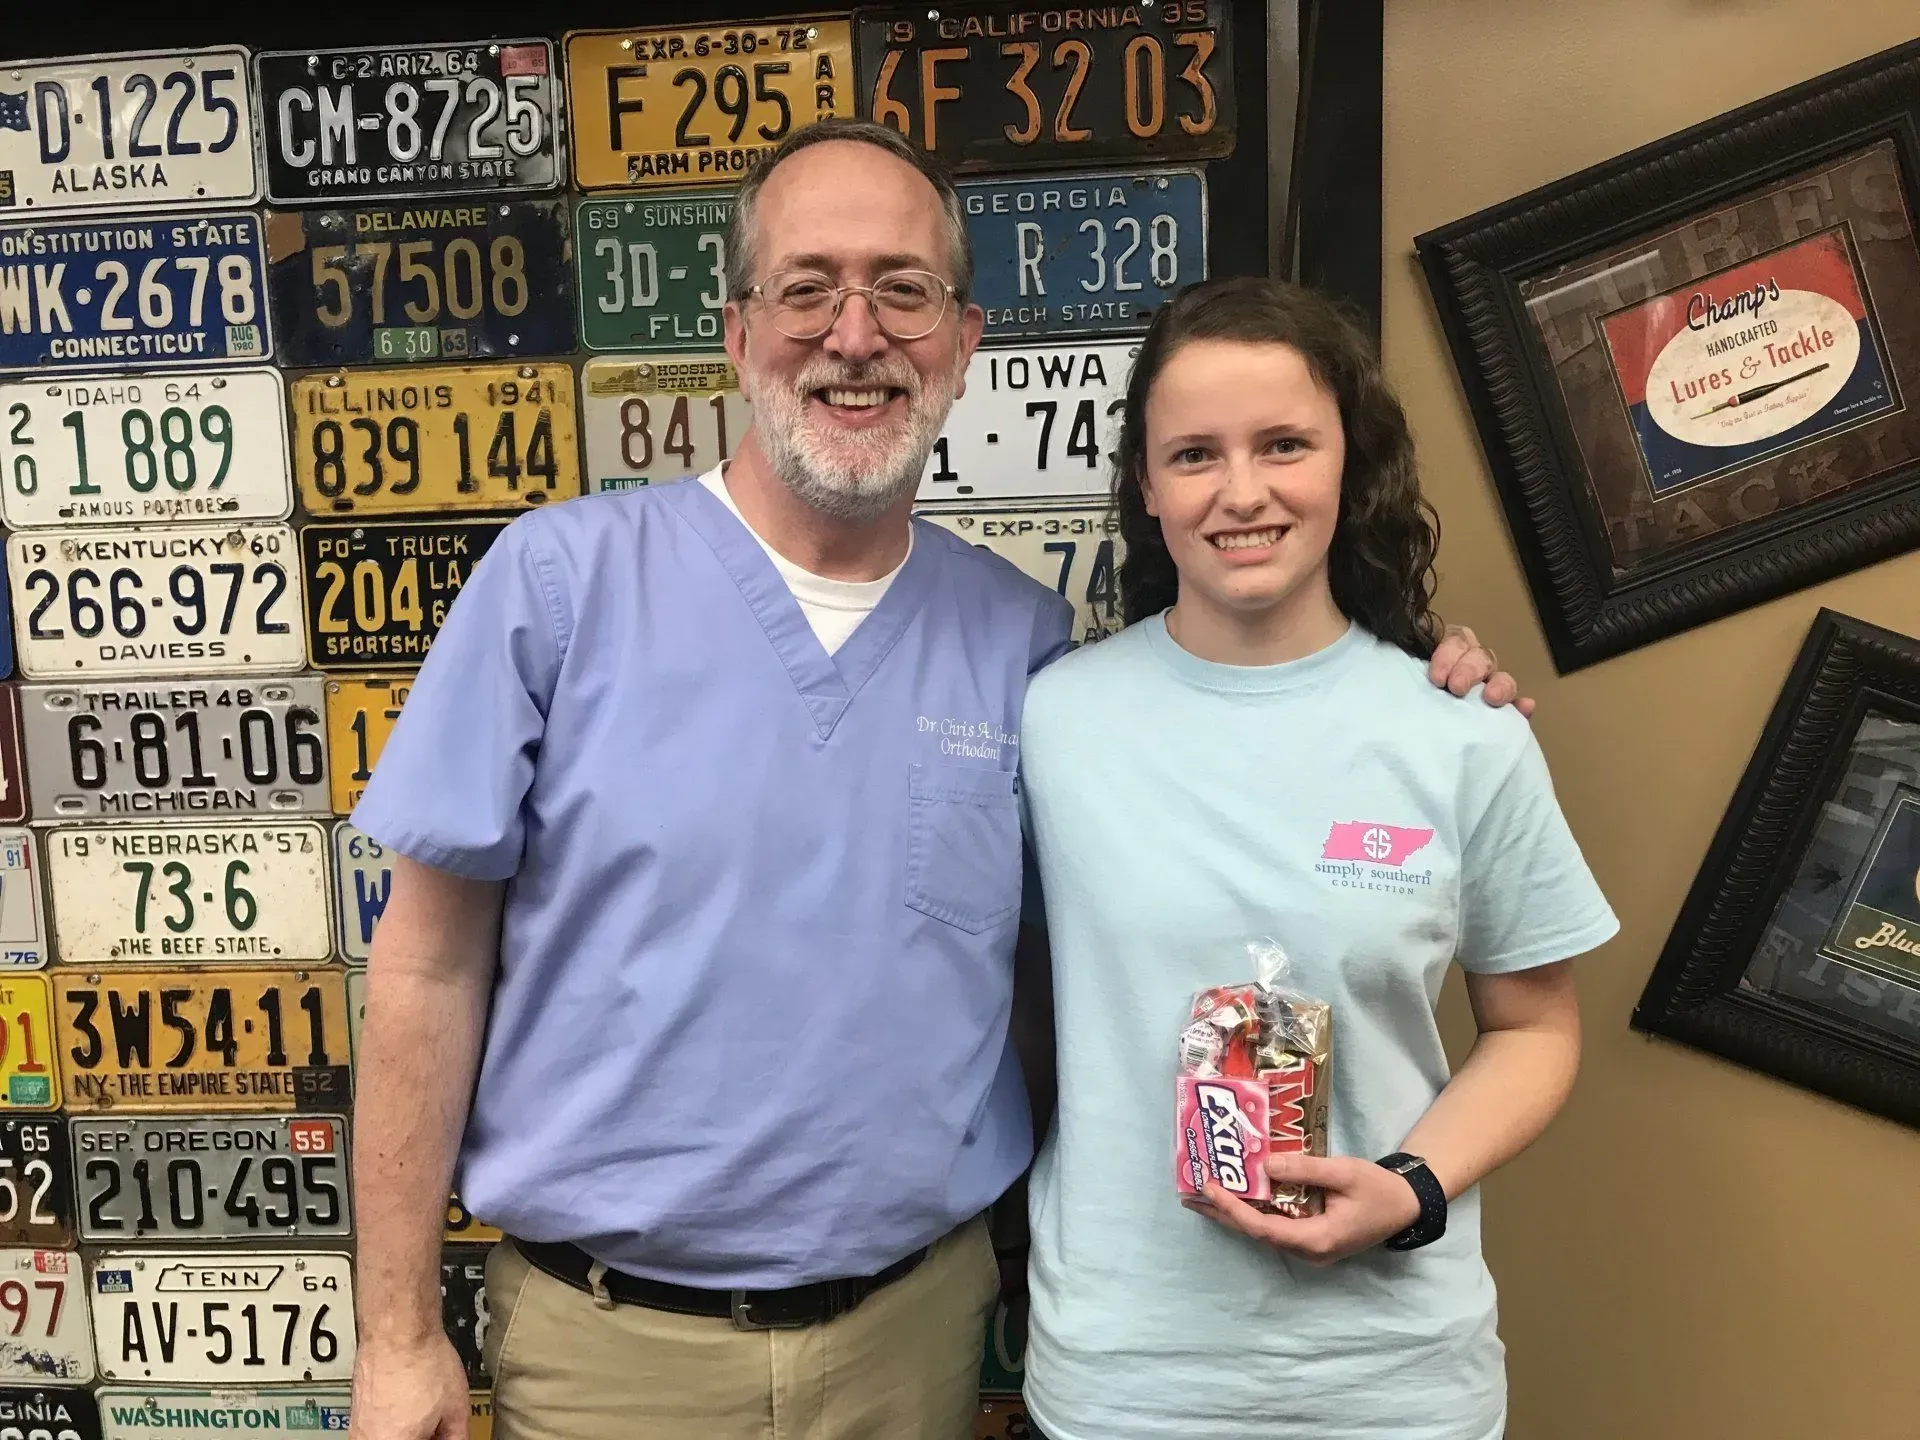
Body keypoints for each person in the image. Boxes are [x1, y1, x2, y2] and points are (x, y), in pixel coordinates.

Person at [344, 122, 1516, 1440]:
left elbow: (1109, 905)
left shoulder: (1024, 648)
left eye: (902, 291)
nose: (855, 335)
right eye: (807, 290)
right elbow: (427, 969)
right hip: (612, 1347)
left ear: (962, 344)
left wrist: (1420, 690)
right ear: (736, 333)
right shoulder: (557, 587)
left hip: (917, 1335)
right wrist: (394, 1335)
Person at [1016, 276, 1619, 1440]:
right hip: (1123, 1382)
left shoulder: (1465, 735)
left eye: (1285, 444)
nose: (1242, 491)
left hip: (1393, 1383)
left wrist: (1413, 1186)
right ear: (1145, 485)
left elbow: (1538, 1029)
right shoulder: (1053, 723)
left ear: (1353, 463)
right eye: (1194, 454)